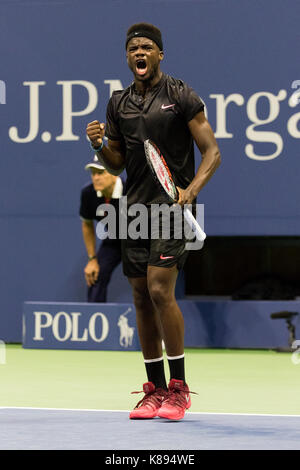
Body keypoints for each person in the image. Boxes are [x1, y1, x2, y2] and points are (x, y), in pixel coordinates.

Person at [86, 23, 221, 420]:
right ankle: (154, 390)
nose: (139, 52)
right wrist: (97, 144)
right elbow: (117, 160)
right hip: (135, 211)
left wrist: (191, 191)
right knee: (141, 297)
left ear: (159, 54)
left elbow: (212, 151)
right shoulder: (118, 103)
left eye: (146, 47)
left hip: (172, 210)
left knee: (161, 290)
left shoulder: (180, 95)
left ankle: (178, 389)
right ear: (127, 57)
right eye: (132, 48)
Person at [80, 156, 123, 302]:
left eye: (101, 173)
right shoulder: (88, 193)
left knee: (146, 282)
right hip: (114, 241)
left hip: (141, 241)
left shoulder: (133, 189)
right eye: (93, 173)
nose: (96, 178)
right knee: (95, 275)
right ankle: (94, 317)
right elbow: (87, 224)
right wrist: (92, 259)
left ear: (114, 173)